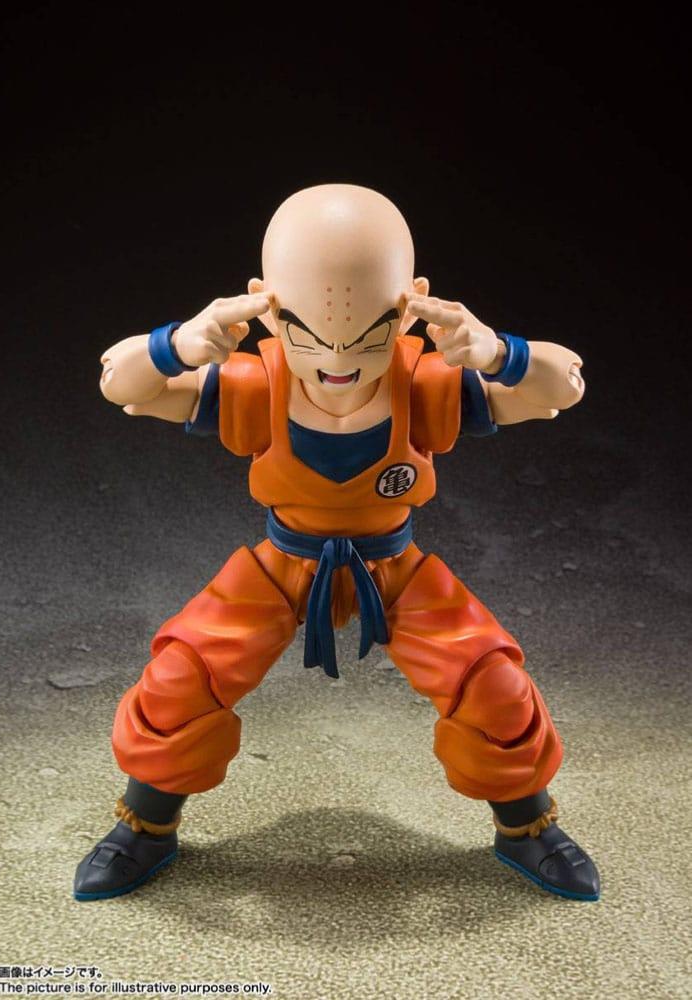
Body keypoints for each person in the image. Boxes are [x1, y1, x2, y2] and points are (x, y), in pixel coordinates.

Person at [74, 183, 599, 903]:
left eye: (369, 336)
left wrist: (495, 351)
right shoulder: (258, 384)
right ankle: (146, 824)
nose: (337, 359)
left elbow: (560, 387)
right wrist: (178, 344)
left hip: (395, 566)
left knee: (492, 681)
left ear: (410, 305)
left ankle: (526, 826)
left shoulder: (425, 382)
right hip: (282, 563)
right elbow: (124, 385)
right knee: (180, 674)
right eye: (308, 334)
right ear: (267, 308)